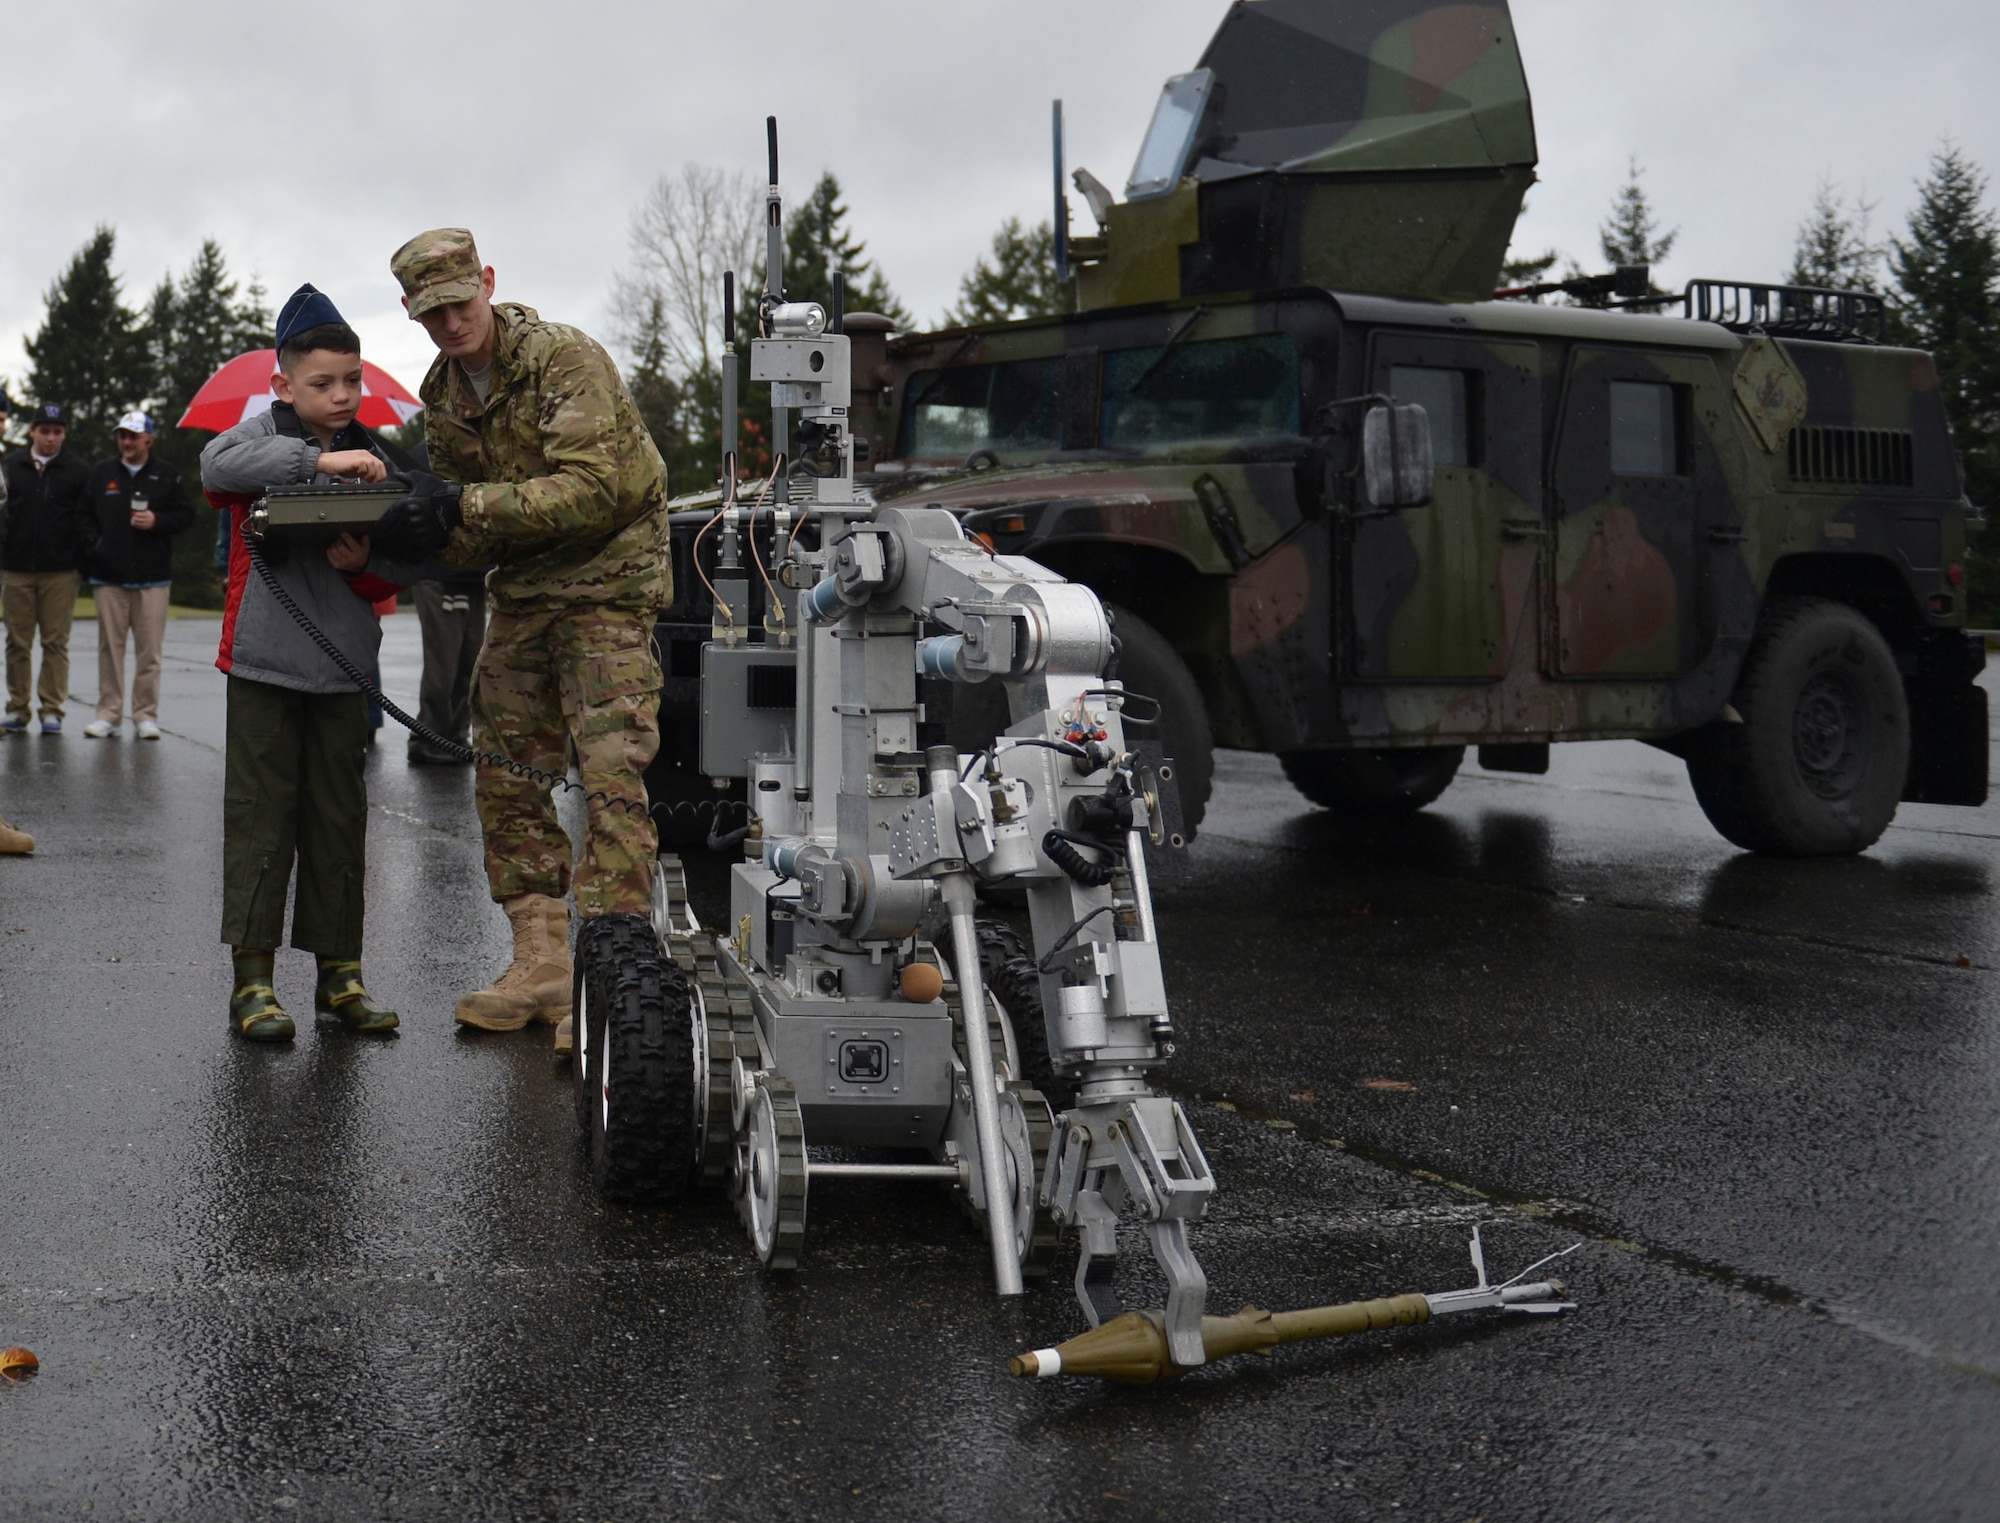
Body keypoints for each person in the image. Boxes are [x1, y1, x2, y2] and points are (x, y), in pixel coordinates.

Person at [378, 228, 669, 1049]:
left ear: (489, 283)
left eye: (459, 303)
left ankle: (610, 979)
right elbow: (475, 532)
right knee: (506, 775)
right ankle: (541, 961)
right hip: (528, 593)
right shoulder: (441, 393)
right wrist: (417, 531)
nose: (448, 323)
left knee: (610, 774)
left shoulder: (564, 359)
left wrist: (460, 509)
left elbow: (590, 489)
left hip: (609, 584)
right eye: (430, 312)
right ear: (411, 311)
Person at [199, 283, 417, 1042]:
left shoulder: (378, 451)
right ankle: (252, 982)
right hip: (264, 664)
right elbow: (215, 465)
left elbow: (404, 559)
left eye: (350, 381)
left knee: (337, 821)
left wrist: (365, 563)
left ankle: (340, 977)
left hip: (342, 671)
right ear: (283, 384)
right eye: (322, 383)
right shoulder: (258, 437)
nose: (340, 395)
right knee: (261, 821)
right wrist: (319, 462)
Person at [77, 412, 194, 740]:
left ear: (149, 440)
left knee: (149, 652)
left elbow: (186, 515)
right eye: (122, 436)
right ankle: (109, 714)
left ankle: (145, 715)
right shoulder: (102, 473)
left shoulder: (166, 474)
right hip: (108, 577)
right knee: (109, 650)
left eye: (133, 436)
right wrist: (96, 546)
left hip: (153, 577)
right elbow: (82, 515)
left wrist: (157, 520)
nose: (126, 442)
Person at [1, 403, 90, 735]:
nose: (50, 438)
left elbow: (85, 517)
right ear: (32, 432)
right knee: (17, 642)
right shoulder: (10, 465)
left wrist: (82, 560)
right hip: (16, 568)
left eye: (57, 432)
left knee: (55, 642)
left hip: (61, 571)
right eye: (44, 431)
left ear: (64, 434)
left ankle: (51, 709)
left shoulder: (78, 470)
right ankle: (17, 708)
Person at [408, 556, 487, 765]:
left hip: (474, 575)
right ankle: (428, 737)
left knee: (470, 665)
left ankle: (455, 736)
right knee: (443, 666)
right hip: (439, 573)